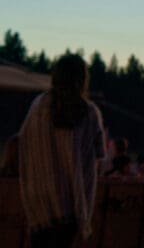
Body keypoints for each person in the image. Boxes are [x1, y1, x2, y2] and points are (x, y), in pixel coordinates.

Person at [17, 53, 107, 248]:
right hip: (70, 205)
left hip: (38, 204)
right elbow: (99, 156)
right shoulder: (88, 112)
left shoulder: (37, 106)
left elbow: (22, 143)